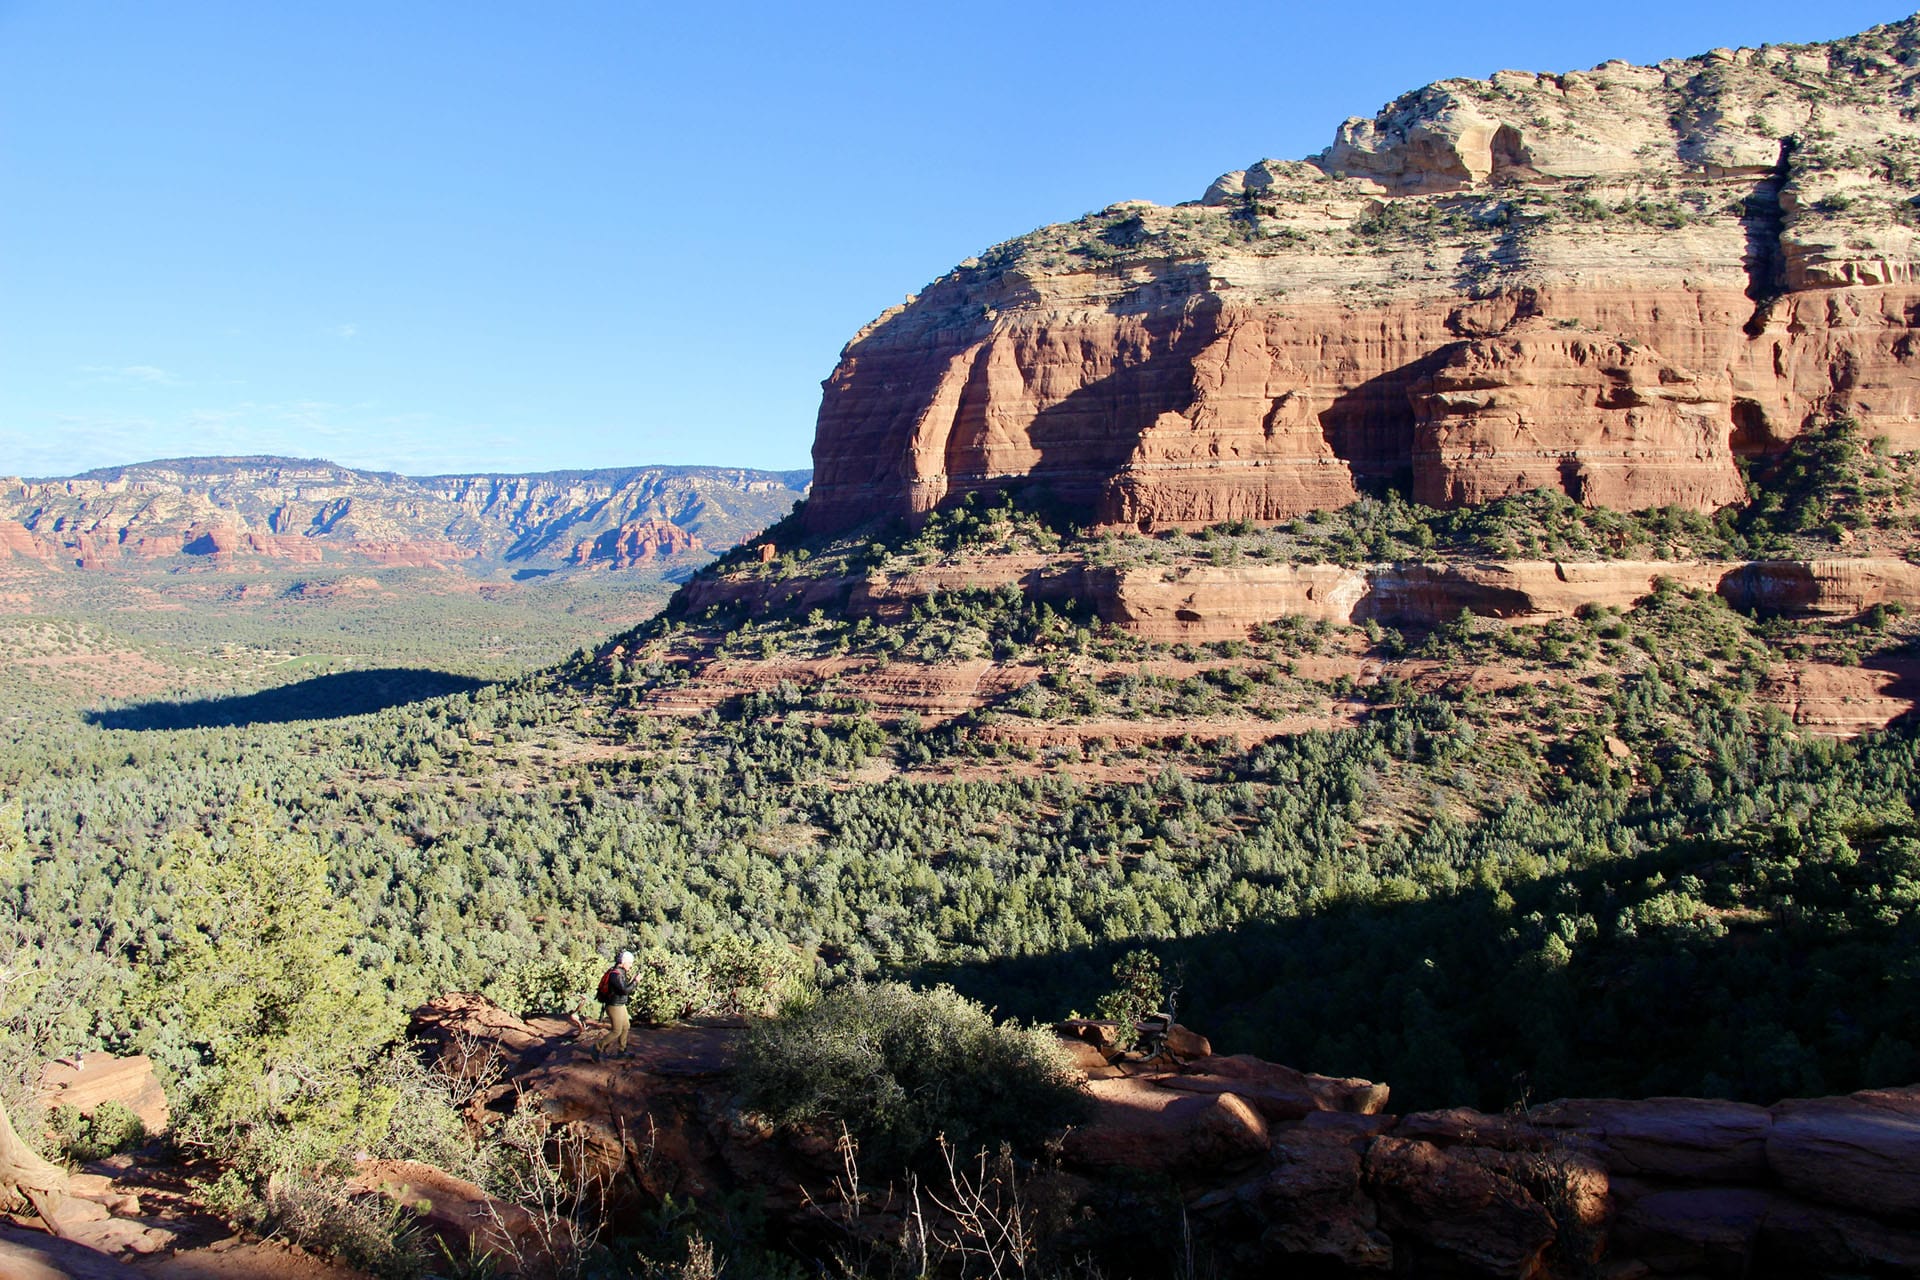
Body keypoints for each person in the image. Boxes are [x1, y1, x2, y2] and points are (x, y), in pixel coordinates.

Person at [597, 950, 636, 1057]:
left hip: (620, 1004)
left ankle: (622, 1050)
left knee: (626, 1026)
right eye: (630, 963)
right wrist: (635, 981)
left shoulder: (619, 972)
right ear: (623, 962)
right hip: (614, 1005)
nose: (631, 965)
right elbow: (624, 990)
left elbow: (622, 989)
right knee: (616, 1031)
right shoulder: (615, 975)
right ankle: (597, 1047)